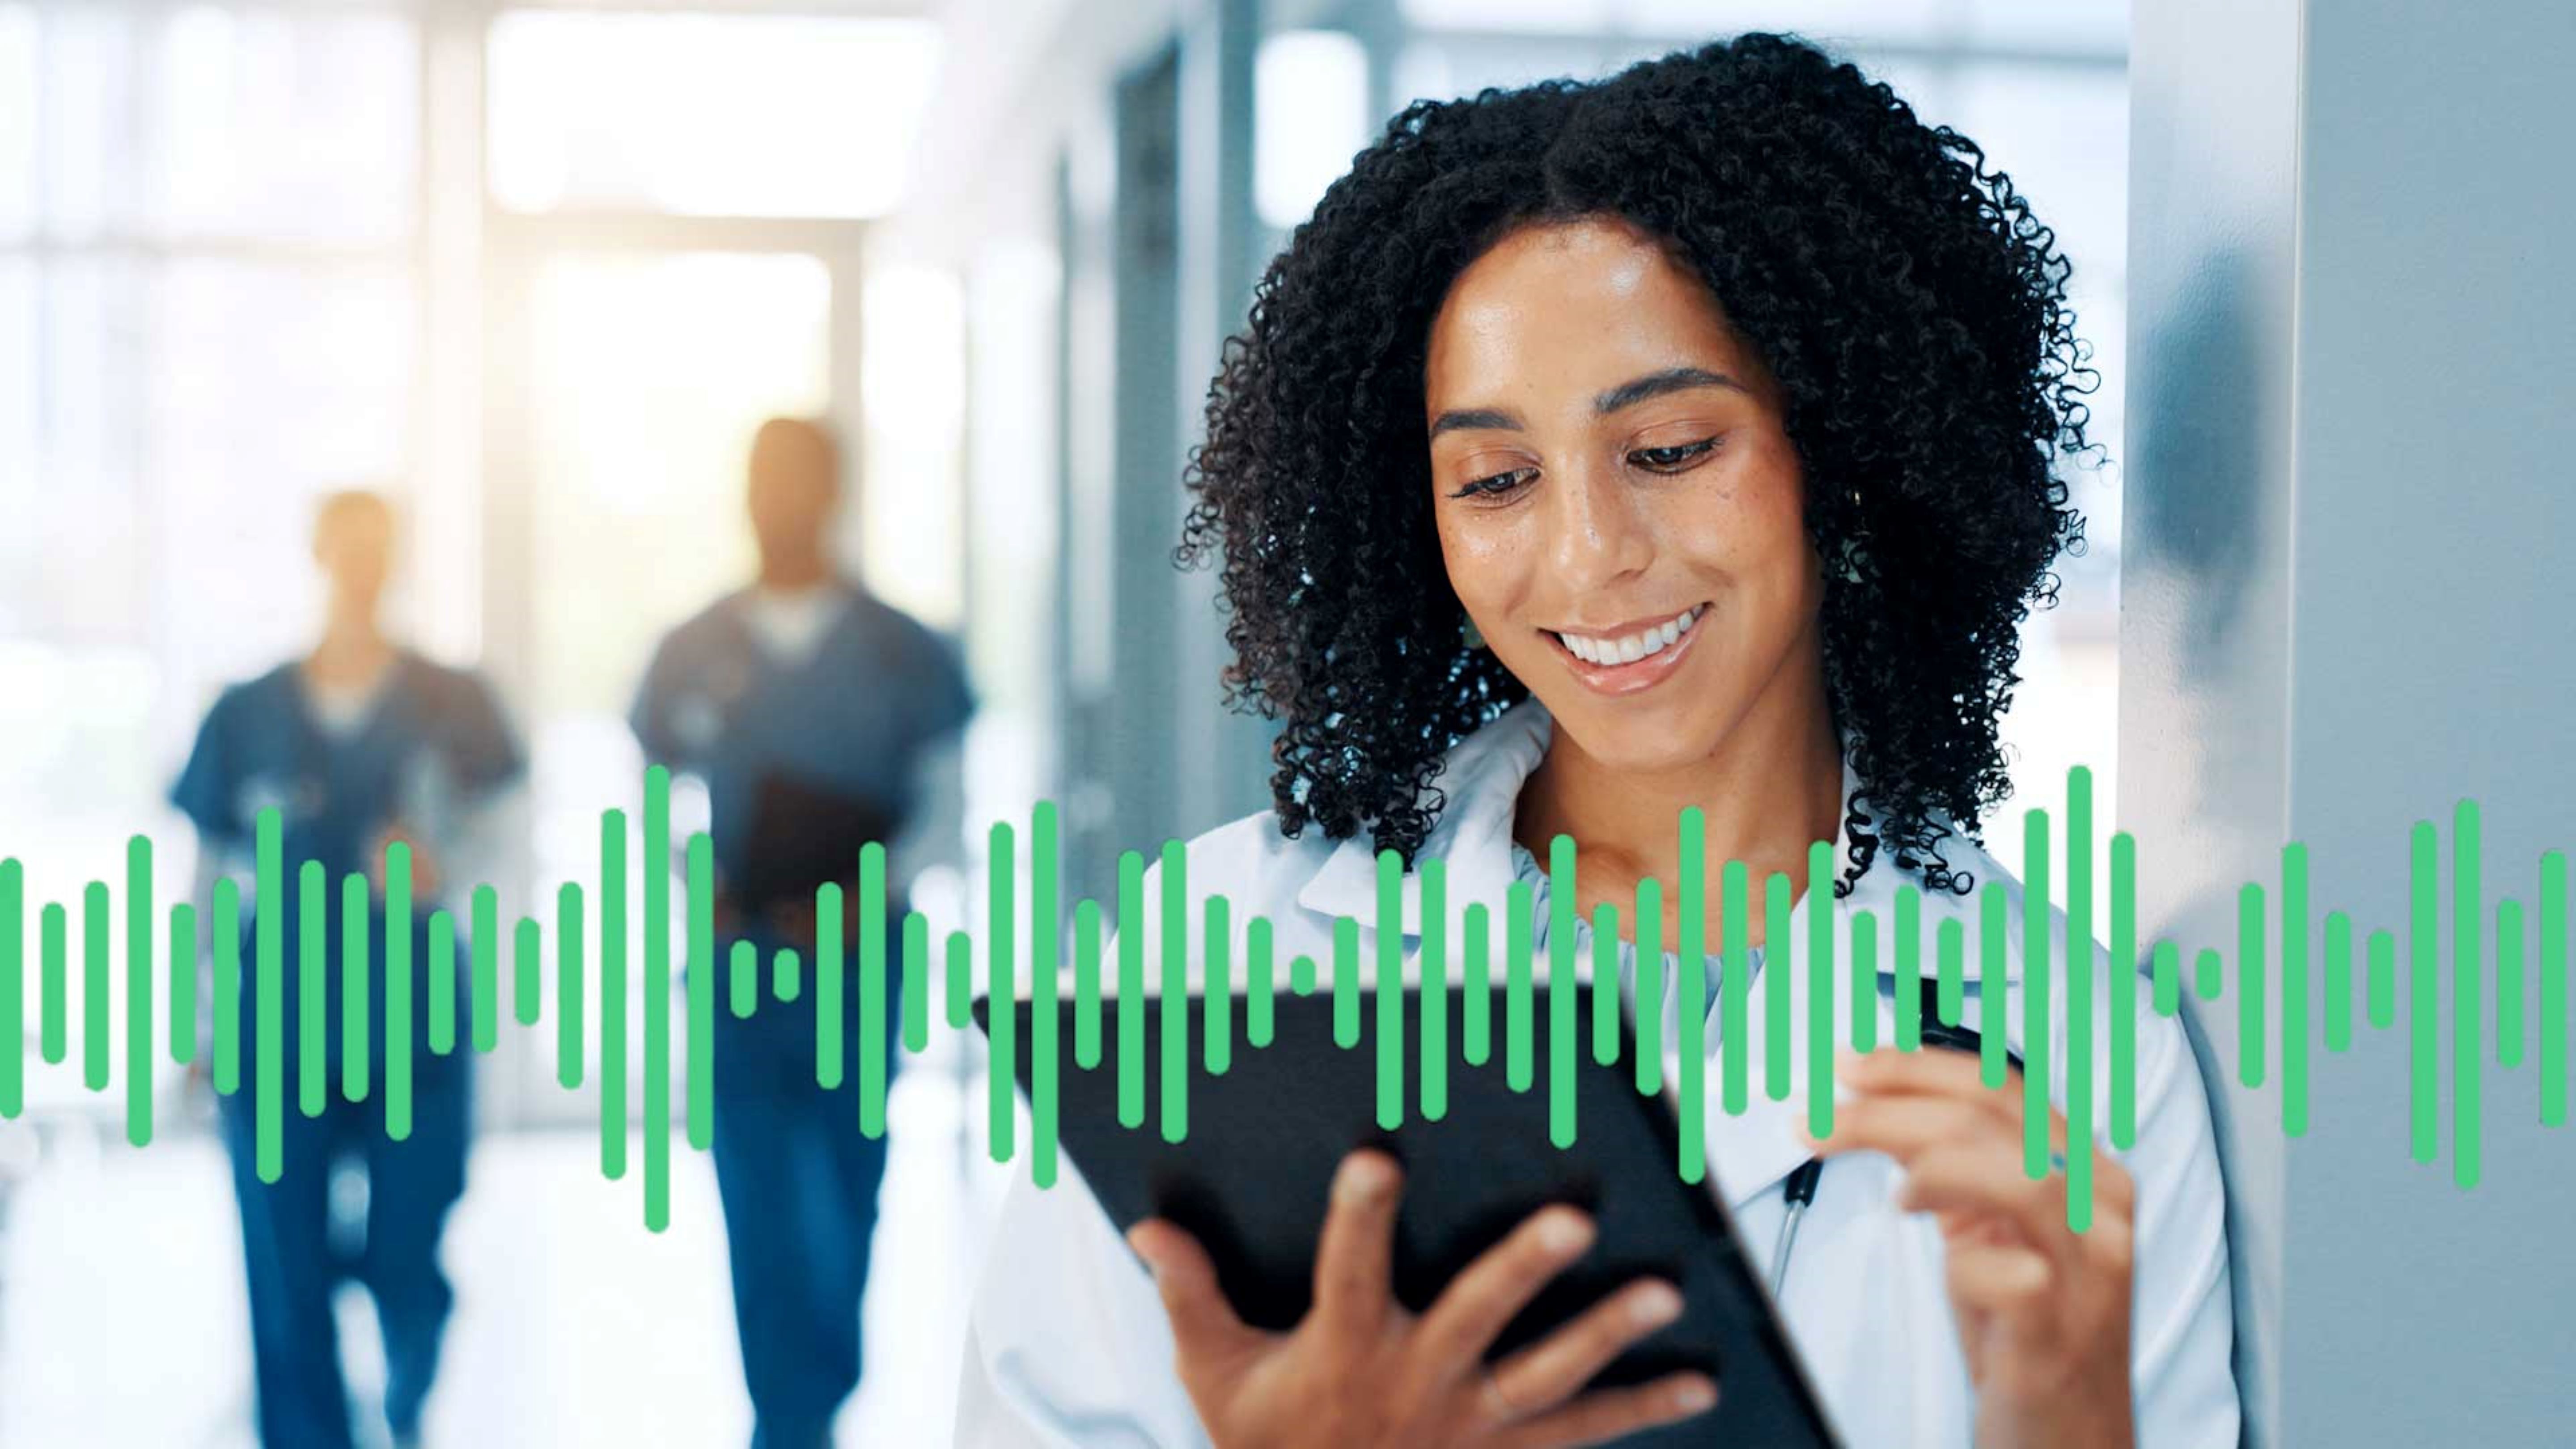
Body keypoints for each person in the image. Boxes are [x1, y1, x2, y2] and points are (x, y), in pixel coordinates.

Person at [955, 34, 2238, 1449]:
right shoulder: (1214, 957)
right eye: (1496, 479)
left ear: (1850, 456)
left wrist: (2066, 1419)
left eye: (1673, 451)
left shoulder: (2088, 1052)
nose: (1587, 559)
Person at [630, 415, 976, 1449]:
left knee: (842, 1187)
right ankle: (786, 1419)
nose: (777, 503)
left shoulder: (898, 648)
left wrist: (880, 888)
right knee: (754, 1196)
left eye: (797, 482)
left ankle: (817, 1394)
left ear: (834, 494)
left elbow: (949, 801)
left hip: (855, 960)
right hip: (736, 961)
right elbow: (649, 794)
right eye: (761, 482)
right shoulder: (692, 649)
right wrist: (690, 879)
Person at [172, 489, 524, 1449]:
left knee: (411, 1247)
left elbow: (517, 842)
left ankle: (408, 1387)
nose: (363, 567)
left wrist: (446, 865)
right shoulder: (248, 713)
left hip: (415, 1023)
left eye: (381, 549)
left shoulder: (455, 703)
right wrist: (198, 1032)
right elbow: (204, 884)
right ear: (319, 554)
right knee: (282, 1273)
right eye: (348, 548)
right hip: (277, 1029)